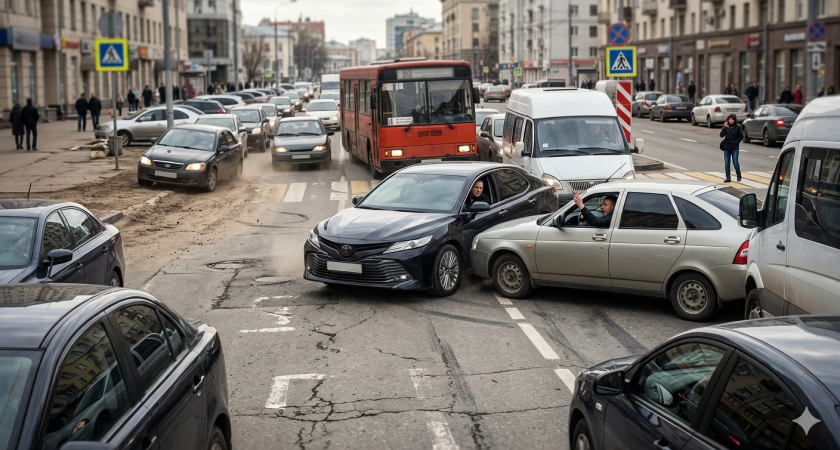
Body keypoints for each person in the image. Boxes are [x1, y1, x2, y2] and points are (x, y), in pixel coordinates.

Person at [719, 114, 743, 182]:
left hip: (734, 147)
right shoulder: (726, 127)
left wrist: (736, 142)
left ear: (734, 120)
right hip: (727, 147)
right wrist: (724, 127)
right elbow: (721, 135)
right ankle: (728, 177)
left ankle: (739, 175)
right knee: (727, 163)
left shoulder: (738, 127)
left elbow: (741, 136)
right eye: (729, 119)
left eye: (732, 119)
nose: (731, 120)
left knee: (735, 162)